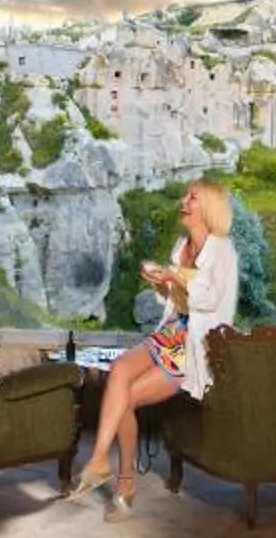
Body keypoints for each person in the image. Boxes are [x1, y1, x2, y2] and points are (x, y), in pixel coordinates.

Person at [68, 180, 238, 515]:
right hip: (171, 331)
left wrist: (174, 278)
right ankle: (101, 460)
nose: (184, 201)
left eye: (193, 197)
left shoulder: (223, 250)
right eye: (185, 195)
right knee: (119, 372)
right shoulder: (182, 245)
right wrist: (163, 284)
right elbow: (175, 301)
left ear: (209, 208)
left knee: (125, 399)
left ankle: (124, 482)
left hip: (196, 344)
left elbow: (209, 299)